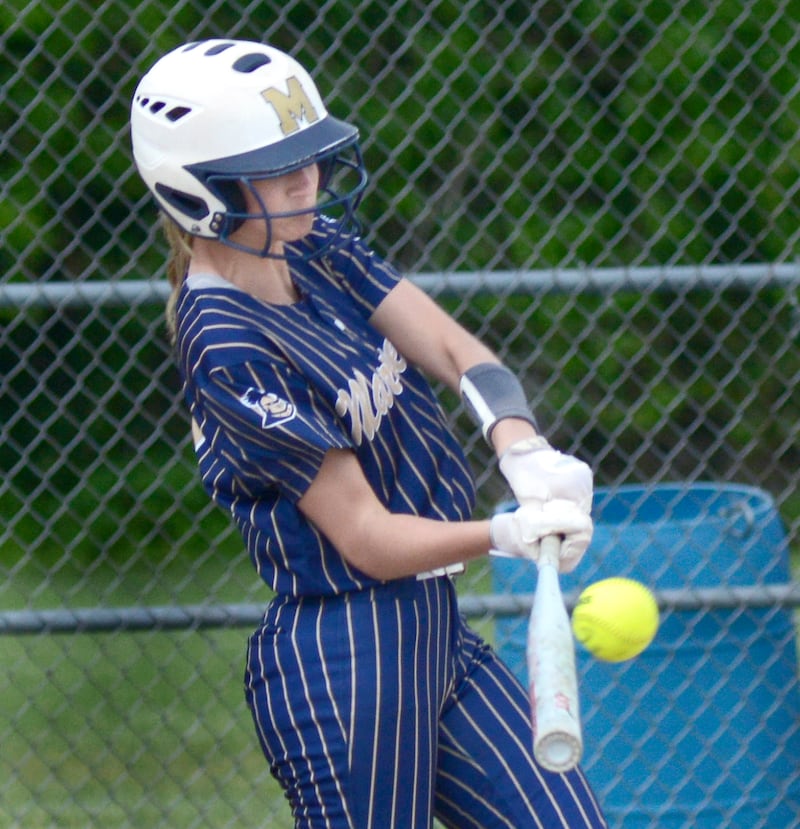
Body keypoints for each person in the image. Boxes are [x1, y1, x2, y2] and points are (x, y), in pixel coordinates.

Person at [130, 39, 606, 829]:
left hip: (434, 632)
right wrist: (505, 532)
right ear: (196, 194)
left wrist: (521, 447)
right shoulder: (224, 338)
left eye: (309, 159)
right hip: (348, 655)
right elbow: (366, 536)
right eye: (276, 170)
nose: (305, 183)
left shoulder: (309, 245)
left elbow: (457, 350)